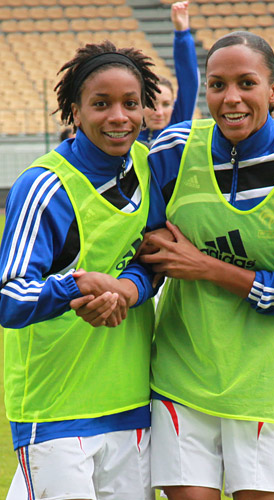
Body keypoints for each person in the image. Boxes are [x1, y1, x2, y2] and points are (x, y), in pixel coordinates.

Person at [140, 31, 274, 499]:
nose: (230, 98)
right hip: (180, 374)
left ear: (273, 90)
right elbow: (144, 242)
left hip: (264, 385)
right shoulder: (173, 151)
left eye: (246, 83)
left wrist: (206, 266)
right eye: (217, 85)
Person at [0, 40, 160, 499]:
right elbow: (10, 298)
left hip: (130, 403)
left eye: (131, 104)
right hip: (54, 408)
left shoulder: (149, 171)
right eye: (101, 104)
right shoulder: (44, 186)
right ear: (74, 110)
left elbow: (152, 261)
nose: (119, 116)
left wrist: (126, 291)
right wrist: (77, 286)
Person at [137, 0, 200, 147]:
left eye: (166, 104)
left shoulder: (177, 127)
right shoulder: (127, 136)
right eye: (151, 104)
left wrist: (182, 33)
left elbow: (189, 81)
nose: (159, 112)